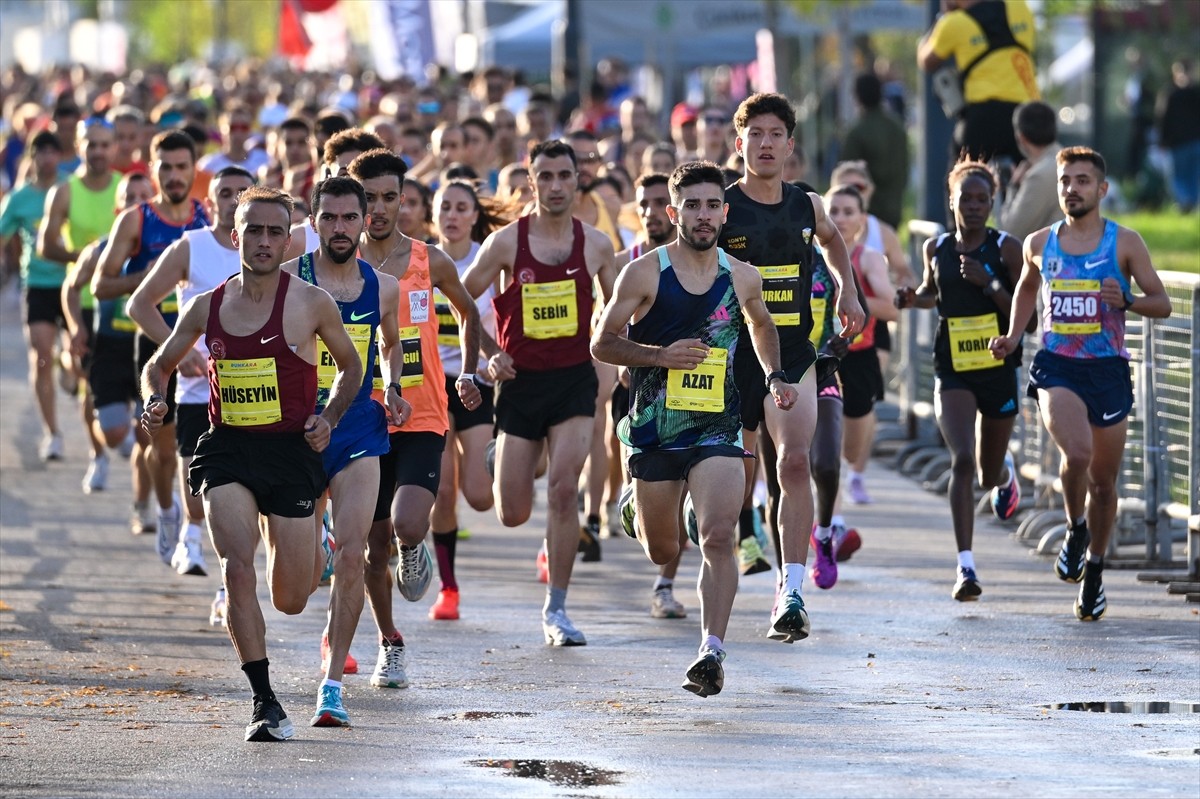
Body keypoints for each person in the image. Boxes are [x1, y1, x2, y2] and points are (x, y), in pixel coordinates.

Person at [141, 185, 364, 742]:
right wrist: (156, 397)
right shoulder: (205, 306)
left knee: (292, 598)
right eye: (254, 231)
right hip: (228, 449)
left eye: (275, 231)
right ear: (236, 236)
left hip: (290, 451)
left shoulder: (310, 303)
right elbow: (158, 364)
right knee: (236, 568)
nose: (264, 241)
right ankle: (264, 701)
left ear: (288, 238)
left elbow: (352, 368)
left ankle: (319, 546)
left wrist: (329, 418)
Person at [593, 161, 798, 696]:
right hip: (656, 430)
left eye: (712, 206)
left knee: (719, 535)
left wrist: (774, 375)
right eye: (692, 206)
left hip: (718, 426)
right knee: (663, 551)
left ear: (725, 213)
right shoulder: (643, 273)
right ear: (672, 212)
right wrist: (660, 355)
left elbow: (761, 323)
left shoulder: (741, 275)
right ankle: (641, 507)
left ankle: (711, 650)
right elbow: (602, 342)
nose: (703, 216)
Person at [989, 147, 1171, 621]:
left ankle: (1094, 570)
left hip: (1108, 369)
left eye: (1083, 181)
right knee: (1078, 455)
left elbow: (1163, 302)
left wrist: (1127, 300)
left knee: (1105, 484)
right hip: (1058, 366)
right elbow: (1027, 286)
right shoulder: (1038, 243)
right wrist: (1013, 334)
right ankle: (1074, 526)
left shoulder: (1124, 243)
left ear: (1102, 189)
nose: (1072, 188)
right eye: (1066, 180)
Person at [719, 93, 864, 643]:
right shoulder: (723, 207)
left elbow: (833, 242)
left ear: (790, 145)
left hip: (796, 353)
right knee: (738, 472)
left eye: (775, 134)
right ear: (740, 144)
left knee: (796, 462)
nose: (765, 143)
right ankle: (731, 535)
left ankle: (792, 589)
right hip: (734, 355)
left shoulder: (808, 205)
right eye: (755, 134)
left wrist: (848, 292)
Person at [462, 139, 616, 646]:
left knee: (564, 490)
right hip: (520, 383)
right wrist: (486, 354)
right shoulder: (507, 243)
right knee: (512, 511)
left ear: (577, 181)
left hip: (574, 379)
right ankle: (503, 454)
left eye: (563, 176)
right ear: (531, 182)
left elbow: (620, 304)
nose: (554, 186)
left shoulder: (594, 244)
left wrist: (617, 348)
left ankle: (557, 608)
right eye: (544, 176)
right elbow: (463, 298)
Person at [348, 154, 480, 689]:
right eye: (368, 198)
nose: (378, 209)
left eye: (388, 197)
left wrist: (468, 371)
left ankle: (415, 545)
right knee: (370, 549)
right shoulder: (336, 266)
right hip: (361, 416)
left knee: (405, 524)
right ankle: (389, 642)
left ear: (403, 199)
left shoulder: (430, 260)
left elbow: (470, 312)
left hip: (423, 410)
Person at [284, 176, 408, 727]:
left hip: (358, 428)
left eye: (349, 218)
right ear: (314, 223)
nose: (340, 228)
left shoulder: (383, 287)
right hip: (297, 432)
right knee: (299, 583)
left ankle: (331, 686)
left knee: (357, 551)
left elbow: (390, 345)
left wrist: (395, 389)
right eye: (329, 218)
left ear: (366, 222)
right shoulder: (289, 281)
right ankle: (318, 547)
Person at [896, 160, 1026, 600]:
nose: (973, 207)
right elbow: (935, 291)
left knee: (987, 474)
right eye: (964, 199)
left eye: (981, 200)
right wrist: (914, 299)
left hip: (997, 367)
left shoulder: (1007, 249)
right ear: (950, 201)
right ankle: (965, 567)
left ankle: (1005, 477)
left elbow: (1022, 316)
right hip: (952, 367)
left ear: (993, 203)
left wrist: (989, 283)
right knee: (962, 460)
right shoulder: (936, 248)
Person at [127, 166, 256, 596]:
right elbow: (140, 304)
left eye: (243, 192)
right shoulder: (191, 246)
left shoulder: (272, 250)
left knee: (242, 496)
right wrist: (176, 352)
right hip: (200, 390)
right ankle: (187, 532)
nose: (233, 199)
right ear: (210, 201)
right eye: (225, 192)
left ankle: (227, 589)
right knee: (197, 483)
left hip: (255, 391)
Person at [95, 130, 209, 564]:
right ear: (152, 168)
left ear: (194, 169)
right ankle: (166, 512)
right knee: (160, 451)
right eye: (167, 167)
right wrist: (151, 276)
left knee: (193, 445)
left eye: (183, 167)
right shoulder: (136, 220)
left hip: (203, 349)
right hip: (156, 349)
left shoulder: (207, 219)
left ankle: (193, 528)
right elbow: (102, 285)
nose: (175, 175)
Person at [612, 172, 691, 617]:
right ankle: (631, 495)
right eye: (643, 203)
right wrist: (635, 359)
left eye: (659, 202)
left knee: (683, 493)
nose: (650, 212)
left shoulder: (702, 261)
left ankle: (665, 586)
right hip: (637, 390)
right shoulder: (628, 262)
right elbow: (601, 329)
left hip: (693, 391)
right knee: (653, 514)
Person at [427, 178, 504, 600]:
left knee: (478, 497)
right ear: (434, 215)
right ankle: (448, 587)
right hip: (431, 384)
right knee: (442, 489)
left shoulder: (487, 259)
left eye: (461, 208)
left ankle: (503, 448)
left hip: (476, 380)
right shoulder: (420, 258)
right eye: (445, 208)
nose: (452, 216)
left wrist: (493, 355)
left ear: (475, 216)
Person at [60, 174, 155, 508]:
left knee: (150, 437)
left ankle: (145, 508)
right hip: (110, 345)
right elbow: (71, 287)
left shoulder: (170, 249)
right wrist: (75, 326)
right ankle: (107, 446)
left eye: (144, 197)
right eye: (129, 197)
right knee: (117, 434)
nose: (136, 203)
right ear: (118, 208)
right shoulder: (100, 248)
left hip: (151, 347)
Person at [37, 117, 122, 466]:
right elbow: (45, 245)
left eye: (105, 145)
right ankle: (98, 453)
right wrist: (86, 258)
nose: (98, 152)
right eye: (92, 144)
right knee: (92, 380)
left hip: (121, 298)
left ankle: (116, 440)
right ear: (80, 145)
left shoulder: (126, 188)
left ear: (114, 147)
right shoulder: (65, 191)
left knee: (115, 378)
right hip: (82, 297)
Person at [826, 184, 898, 511]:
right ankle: (830, 516)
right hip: (819, 356)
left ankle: (851, 476)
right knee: (821, 448)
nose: (840, 219)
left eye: (848, 212)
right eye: (833, 211)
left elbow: (891, 308)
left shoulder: (868, 258)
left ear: (862, 220)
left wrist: (849, 297)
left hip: (858, 356)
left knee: (851, 450)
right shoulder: (811, 257)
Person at [0, 131, 67, 462]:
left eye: (53, 151)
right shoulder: (19, 197)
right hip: (38, 283)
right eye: (41, 152)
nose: (47, 158)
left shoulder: (71, 187)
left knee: (74, 364)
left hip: (74, 284)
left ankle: (70, 368)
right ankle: (52, 432)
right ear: (33, 156)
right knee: (41, 358)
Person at [918, 0, 1039, 165]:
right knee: (1035, 172)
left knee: (961, 175)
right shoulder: (1019, 6)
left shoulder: (953, 23)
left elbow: (926, 61)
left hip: (983, 116)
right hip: (1027, 112)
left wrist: (943, 16)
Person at [841, 73, 909, 230]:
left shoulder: (857, 132)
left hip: (865, 214)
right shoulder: (897, 127)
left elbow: (846, 176)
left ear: (857, 96)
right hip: (894, 209)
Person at [997, 101, 1063, 242]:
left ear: (1021, 137)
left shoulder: (1038, 175)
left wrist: (1013, 186)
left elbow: (1009, 232)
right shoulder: (1071, 161)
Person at [1158, 59, 1200, 213]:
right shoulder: (1196, 92)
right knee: (1193, 177)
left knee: (1178, 177)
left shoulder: (1170, 94)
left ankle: (1185, 202)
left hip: (1178, 144)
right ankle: (1191, 204)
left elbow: (1162, 118)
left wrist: (1162, 140)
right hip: (1194, 142)